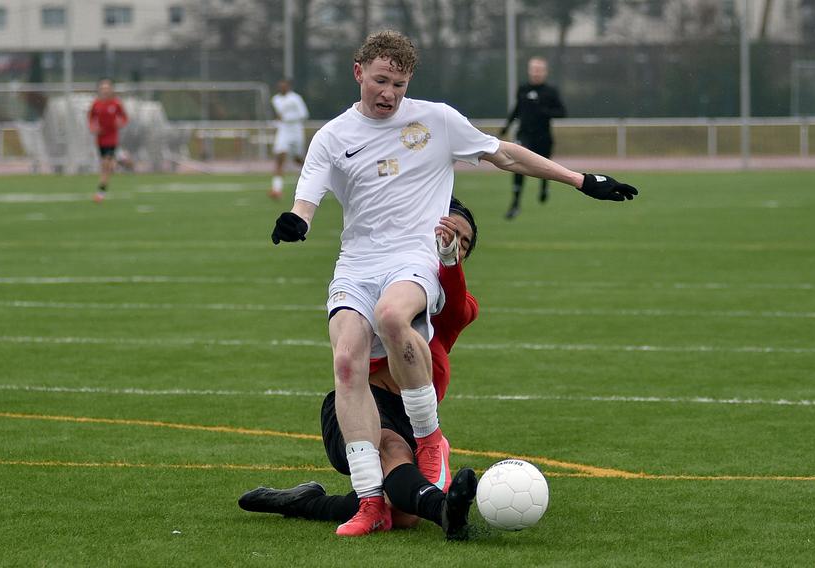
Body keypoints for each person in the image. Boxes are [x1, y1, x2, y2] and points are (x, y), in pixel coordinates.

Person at [271, 30, 636, 538]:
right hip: (355, 262)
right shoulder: (333, 136)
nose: (389, 94)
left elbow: (504, 153)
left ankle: (429, 437)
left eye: (399, 84)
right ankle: (370, 503)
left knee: (393, 317)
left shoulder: (436, 120)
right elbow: (306, 197)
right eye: (380, 81)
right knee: (344, 360)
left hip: (412, 257)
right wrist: (297, 222)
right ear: (359, 73)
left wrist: (580, 180)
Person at [242, 198, 481, 541]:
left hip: (412, 415)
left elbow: (455, 302)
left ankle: (307, 502)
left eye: (464, 242)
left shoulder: (459, 306)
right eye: (446, 231)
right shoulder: (375, 292)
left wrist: (447, 261)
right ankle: (445, 511)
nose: (454, 243)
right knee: (393, 450)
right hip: (361, 405)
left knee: (401, 516)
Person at [500, 57, 566, 220]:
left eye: (539, 69)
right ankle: (515, 204)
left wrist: (543, 110)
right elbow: (516, 109)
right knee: (517, 165)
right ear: (529, 71)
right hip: (524, 135)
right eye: (533, 69)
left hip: (543, 136)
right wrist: (506, 126)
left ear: (545, 72)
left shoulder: (551, 92)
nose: (536, 72)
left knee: (545, 166)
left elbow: (562, 113)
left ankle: (544, 186)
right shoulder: (522, 89)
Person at [88, 78, 128, 203]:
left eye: (107, 88)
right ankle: (119, 160)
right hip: (100, 138)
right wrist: (93, 127)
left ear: (111, 90)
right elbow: (90, 118)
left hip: (112, 137)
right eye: (102, 88)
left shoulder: (116, 103)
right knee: (105, 166)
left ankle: (100, 192)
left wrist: (120, 123)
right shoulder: (96, 104)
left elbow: (125, 117)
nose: (105, 91)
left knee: (106, 165)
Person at [269, 78, 310, 200]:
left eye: (284, 86)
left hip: (296, 131)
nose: (282, 88)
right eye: (280, 86)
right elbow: (279, 116)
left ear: (288, 86)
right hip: (283, 131)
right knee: (280, 157)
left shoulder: (295, 98)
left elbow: (304, 114)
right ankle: (276, 189)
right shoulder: (275, 99)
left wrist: (287, 118)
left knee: (298, 159)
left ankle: (313, 175)